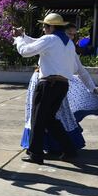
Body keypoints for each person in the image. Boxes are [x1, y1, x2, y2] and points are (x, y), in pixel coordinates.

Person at [13, 13, 81, 165]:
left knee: (38, 119)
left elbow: (25, 51)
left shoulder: (49, 39)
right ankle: (69, 149)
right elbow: (37, 43)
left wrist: (18, 38)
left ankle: (36, 153)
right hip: (62, 85)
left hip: (48, 84)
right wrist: (23, 36)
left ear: (51, 27)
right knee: (50, 119)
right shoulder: (68, 43)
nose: (43, 29)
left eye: (45, 26)